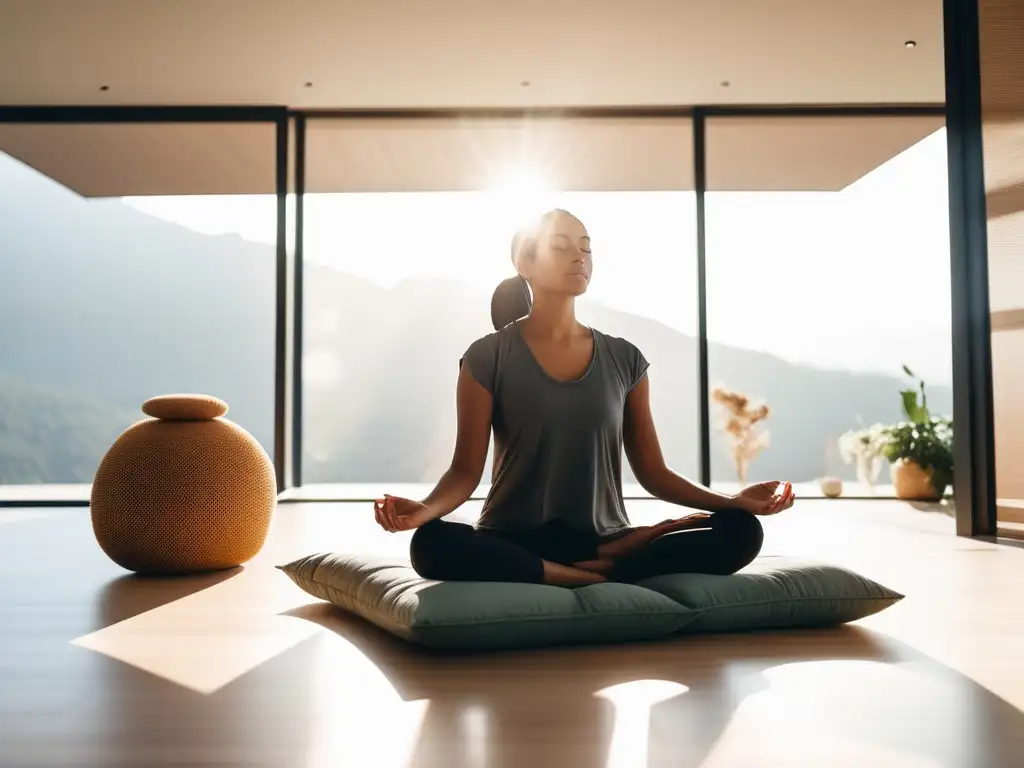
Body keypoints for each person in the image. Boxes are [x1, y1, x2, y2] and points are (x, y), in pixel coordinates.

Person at [374, 208, 795, 587]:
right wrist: (425, 511)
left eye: (586, 248)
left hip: (606, 539)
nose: (580, 257)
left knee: (741, 531)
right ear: (525, 262)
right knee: (431, 544)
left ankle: (605, 566)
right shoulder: (486, 357)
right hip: (512, 538)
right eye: (561, 247)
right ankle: (578, 577)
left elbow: (653, 473)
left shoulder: (625, 358)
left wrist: (734, 503)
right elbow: (465, 471)